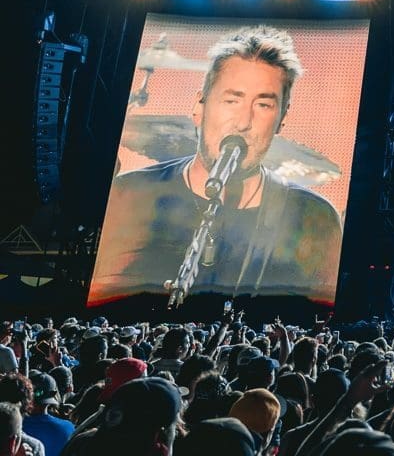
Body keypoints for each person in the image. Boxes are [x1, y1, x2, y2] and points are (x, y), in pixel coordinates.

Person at [89, 25, 344, 305]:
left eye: (263, 105)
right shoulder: (129, 194)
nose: (243, 121)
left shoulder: (314, 218)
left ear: (281, 118)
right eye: (231, 100)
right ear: (199, 105)